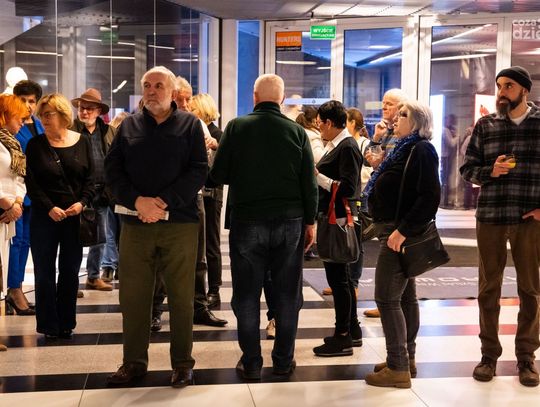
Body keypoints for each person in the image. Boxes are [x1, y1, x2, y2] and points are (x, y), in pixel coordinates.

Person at [210, 74, 317, 380]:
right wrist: (311, 222)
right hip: (290, 221)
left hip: (248, 220)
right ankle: (283, 361)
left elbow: (219, 175)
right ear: (281, 99)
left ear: (254, 97)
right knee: (287, 295)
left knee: (246, 295)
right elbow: (308, 182)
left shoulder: (237, 127)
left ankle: (252, 362)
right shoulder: (297, 132)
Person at [105, 66, 207, 388]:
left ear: (172, 91)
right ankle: (133, 363)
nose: (151, 91)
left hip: (179, 223)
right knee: (133, 297)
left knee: (181, 297)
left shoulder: (190, 125)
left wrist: (162, 202)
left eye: (158, 85)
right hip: (135, 224)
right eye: (147, 85)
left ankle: (182, 364)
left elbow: (198, 170)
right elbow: (113, 171)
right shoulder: (129, 126)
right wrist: (138, 202)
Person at [460, 66, 540, 388]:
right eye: (499, 86)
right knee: (488, 290)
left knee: (530, 290)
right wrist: (489, 172)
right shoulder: (486, 125)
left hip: (528, 220)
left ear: (525, 90)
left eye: (508, 86)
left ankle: (526, 357)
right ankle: (488, 355)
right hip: (491, 217)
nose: (502, 92)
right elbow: (467, 169)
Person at [363, 100, 440, 388]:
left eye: (404, 115)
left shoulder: (422, 149)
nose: (396, 118)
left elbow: (430, 196)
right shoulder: (403, 148)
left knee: (386, 297)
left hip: (400, 234)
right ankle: (405, 358)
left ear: (418, 122)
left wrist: (402, 231)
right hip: (393, 230)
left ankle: (397, 367)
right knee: (406, 297)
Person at [26, 93, 95, 339]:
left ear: (63, 115)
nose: (43, 119)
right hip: (44, 216)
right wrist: (48, 207)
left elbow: (91, 179)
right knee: (44, 271)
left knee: (69, 270)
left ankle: (66, 322)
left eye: (48, 114)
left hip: (74, 216)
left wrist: (82, 203)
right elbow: (31, 182)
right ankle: (48, 325)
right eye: (41, 115)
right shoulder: (35, 145)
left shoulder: (82, 142)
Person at [312, 100, 363, 357]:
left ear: (329, 123)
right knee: (341, 277)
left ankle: (342, 336)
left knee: (339, 279)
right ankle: (352, 329)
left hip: (339, 220)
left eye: (320, 123)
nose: (319, 127)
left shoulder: (347, 147)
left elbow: (348, 187)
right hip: (338, 217)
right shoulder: (339, 145)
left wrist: (317, 176)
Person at [363, 88, 409, 319]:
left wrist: (379, 163)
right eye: (383, 103)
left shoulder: (407, 137)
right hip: (382, 205)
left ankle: (388, 305)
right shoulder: (387, 132)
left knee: (394, 267)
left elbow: (388, 167)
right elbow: (369, 160)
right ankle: (392, 305)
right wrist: (376, 138)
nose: (384, 108)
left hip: (396, 209)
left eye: (389, 104)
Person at [71, 88, 115, 291]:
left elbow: (115, 160)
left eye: (89, 108)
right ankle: (71, 281)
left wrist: (111, 189)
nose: (84, 112)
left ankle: (93, 276)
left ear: (98, 111)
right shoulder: (71, 129)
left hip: (102, 192)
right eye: (82, 108)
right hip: (78, 193)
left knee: (100, 237)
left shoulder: (108, 131)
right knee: (74, 238)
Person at [6, 80, 44, 315]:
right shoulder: (9, 125)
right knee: (16, 242)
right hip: (15, 193)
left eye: (32, 101)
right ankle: (13, 288)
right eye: (23, 100)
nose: (28, 105)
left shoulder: (40, 125)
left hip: (35, 193)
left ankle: (17, 287)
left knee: (27, 241)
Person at [190, 93, 224, 308]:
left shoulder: (218, 133)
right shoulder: (192, 130)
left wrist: (215, 145)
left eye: (193, 108)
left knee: (211, 243)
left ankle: (214, 289)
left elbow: (226, 163)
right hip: (197, 193)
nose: (189, 112)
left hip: (212, 194)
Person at [0, 94, 27, 321]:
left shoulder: (12, 143)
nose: (22, 122)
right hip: (3, 207)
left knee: (2, 263)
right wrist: (6, 202)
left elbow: (19, 178)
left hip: (8, 213)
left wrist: (16, 202)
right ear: (6, 114)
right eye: (19, 117)